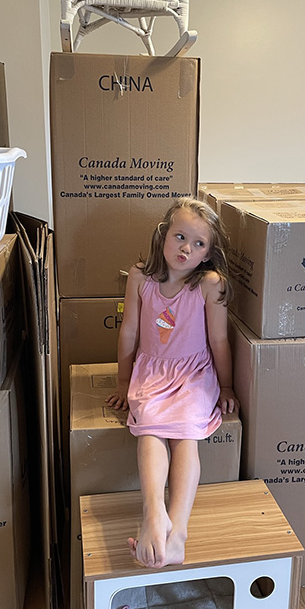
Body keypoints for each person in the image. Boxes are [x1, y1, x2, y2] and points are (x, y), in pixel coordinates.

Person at [106, 197, 238, 569]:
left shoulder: (210, 284)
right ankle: (153, 513)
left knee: (186, 433)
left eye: (199, 244)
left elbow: (219, 341)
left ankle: (177, 529)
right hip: (152, 371)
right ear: (163, 235)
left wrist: (225, 387)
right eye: (180, 237)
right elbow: (129, 331)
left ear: (209, 253)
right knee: (148, 427)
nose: (186, 249)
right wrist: (122, 381)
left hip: (193, 375)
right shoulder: (140, 277)